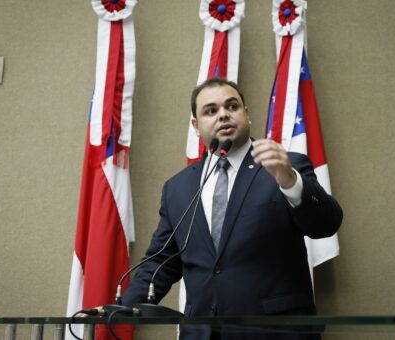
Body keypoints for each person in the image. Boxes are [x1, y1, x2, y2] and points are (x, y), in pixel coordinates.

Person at [122, 77, 343, 339]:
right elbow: (161, 261)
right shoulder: (178, 188)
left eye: (232, 106)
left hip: (276, 333)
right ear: (195, 125)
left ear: (246, 114)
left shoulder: (285, 167)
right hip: (203, 334)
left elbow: (326, 224)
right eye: (211, 111)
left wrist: (291, 181)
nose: (223, 115)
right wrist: (122, 309)